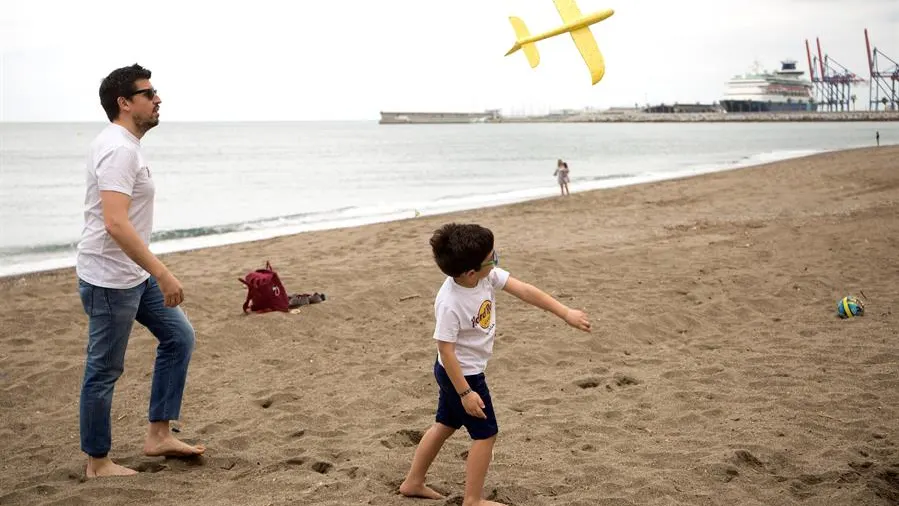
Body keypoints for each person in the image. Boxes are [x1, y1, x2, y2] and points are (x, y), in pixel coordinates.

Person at [400, 223, 591, 505]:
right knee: (486, 435)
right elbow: (445, 349)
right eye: (493, 258)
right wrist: (466, 393)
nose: (496, 260)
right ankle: (473, 500)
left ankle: (413, 482)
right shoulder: (450, 302)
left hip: (461, 371)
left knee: (444, 424)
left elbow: (524, 290)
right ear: (469, 272)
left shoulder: (485, 277)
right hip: (462, 375)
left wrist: (565, 312)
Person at [76, 63, 205, 478]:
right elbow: (115, 223)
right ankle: (98, 462)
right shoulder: (118, 149)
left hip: (131, 274)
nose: (158, 99)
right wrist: (162, 272)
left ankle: (159, 434)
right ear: (125, 103)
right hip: (109, 280)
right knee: (104, 370)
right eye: (149, 93)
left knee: (178, 336)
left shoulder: (126, 144)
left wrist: (149, 272)